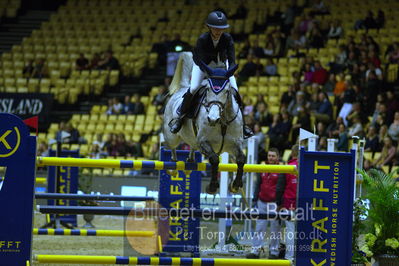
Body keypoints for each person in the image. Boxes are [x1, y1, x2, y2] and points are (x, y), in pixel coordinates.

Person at [168, 11, 253, 138]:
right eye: (215, 28)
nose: (218, 31)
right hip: (203, 66)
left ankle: (243, 126)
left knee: (235, 89)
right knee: (194, 88)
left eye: (221, 28)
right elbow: (201, 61)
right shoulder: (202, 39)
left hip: (222, 67)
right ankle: (180, 117)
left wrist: (231, 71)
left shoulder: (227, 38)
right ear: (210, 27)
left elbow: (232, 58)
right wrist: (211, 74)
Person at [247, 148, 282, 259]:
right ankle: (255, 251)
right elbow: (258, 184)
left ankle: (274, 252)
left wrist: (280, 203)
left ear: (278, 157)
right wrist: (254, 199)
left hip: (274, 204)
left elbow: (281, 188)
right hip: (261, 201)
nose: (270, 158)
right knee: (259, 228)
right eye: (269, 155)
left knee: (275, 229)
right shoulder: (262, 168)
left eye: (273, 156)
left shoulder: (282, 169)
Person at [276, 144, 299, 263]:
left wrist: (278, 203)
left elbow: (280, 188)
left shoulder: (288, 167)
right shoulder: (309, 167)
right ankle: (300, 256)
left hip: (289, 203)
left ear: (292, 153)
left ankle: (289, 257)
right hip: (305, 204)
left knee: (290, 231)